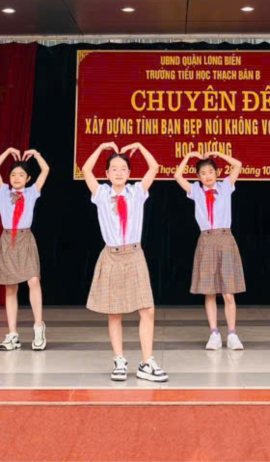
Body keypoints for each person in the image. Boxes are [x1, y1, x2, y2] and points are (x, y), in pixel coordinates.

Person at [81, 140, 166, 382]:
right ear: (107, 174)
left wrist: (140, 146)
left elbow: (154, 167)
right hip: (112, 256)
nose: (118, 173)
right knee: (114, 312)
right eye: (114, 169)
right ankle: (119, 361)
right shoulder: (101, 194)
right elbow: (86, 169)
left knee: (147, 309)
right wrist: (101, 148)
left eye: (123, 169)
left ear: (129, 173)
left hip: (135, 255)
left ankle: (147, 363)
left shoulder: (137, 192)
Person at [174, 149, 245, 350]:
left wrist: (219, 155)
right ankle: (214, 333)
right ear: (198, 177)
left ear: (217, 173)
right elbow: (177, 176)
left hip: (225, 239)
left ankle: (232, 334)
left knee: (228, 292)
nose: (207, 176)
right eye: (203, 173)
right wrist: (188, 157)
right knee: (210, 292)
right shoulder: (196, 191)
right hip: (206, 240)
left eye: (211, 172)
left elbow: (238, 165)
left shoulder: (226, 187)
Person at [0, 146, 50, 352]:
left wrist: (37, 155)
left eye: (21, 174)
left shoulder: (32, 192)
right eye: (13, 174)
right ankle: (12, 334)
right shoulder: (3, 191)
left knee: (33, 280)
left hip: (25, 238)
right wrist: (7, 151)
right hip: (8, 240)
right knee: (10, 287)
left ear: (28, 178)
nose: (16, 178)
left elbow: (46, 170)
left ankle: (39, 326)